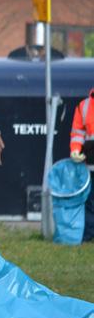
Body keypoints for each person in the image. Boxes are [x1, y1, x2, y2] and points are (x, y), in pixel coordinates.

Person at [70, 87, 94, 241]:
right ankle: (89, 236)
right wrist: (75, 150)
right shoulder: (84, 106)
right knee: (90, 202)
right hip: (90, 165)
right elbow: (78, 133)